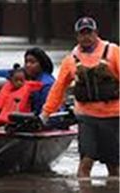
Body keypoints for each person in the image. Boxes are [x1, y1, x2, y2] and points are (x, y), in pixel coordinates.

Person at [40, 17, 119, 177]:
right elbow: (58, 88)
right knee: (85, 162)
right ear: (77, 36)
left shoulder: (113, 52)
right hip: (86, 117)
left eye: (89, 32)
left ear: (96, 33)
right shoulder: (70, 60)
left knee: (114, 166)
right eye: (82, 33)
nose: (86, 37)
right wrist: (45, 113)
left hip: (113, 116)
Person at [0, 47, 55, 115]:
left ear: (42, 64)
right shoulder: (25, 75)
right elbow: (7, 73)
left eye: (32, 62)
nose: (28, 65)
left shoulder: (47, 84)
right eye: (26, 62)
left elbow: (45, 110)